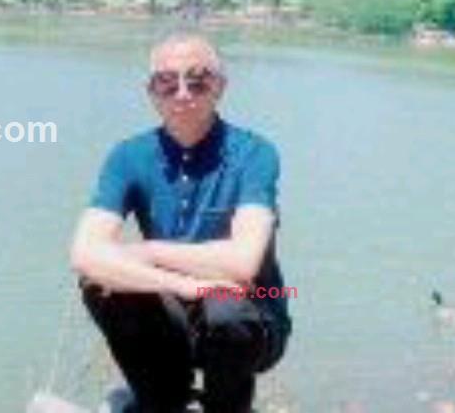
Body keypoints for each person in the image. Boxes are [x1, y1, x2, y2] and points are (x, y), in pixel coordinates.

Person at [70, 33, 292, 413]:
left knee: (226, 309)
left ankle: (228, 408)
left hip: (254, 312)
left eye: (198, 80)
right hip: (172, 309)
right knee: (103, 285)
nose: (183, 94)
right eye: (167, 82)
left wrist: (150, 251)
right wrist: (184, 285)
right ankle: (161, 400)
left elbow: (243, 264)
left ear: (220, 87)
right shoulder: (129, 156)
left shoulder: (255, 154)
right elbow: (85, 255)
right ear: (151, 92)